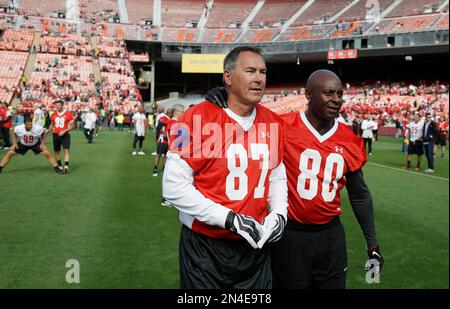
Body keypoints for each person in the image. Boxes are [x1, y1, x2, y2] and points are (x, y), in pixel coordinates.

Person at [207, 69, 383, 289]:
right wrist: (225, 97)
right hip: (290, 234)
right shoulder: (282, 126)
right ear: (309, 94)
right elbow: (242, 124)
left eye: (339, 94)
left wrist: (372, 244)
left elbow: (359, 195)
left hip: (331, 235)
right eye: (329, 93)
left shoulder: (349, 138)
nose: (336, 100)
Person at [162, 46, 288, 288]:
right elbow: (172, 187)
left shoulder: (274, 122)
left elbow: (276, 175)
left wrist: (279, 213)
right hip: (204, 248)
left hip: (255, 247)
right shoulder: (190, 119)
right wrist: (230, 219)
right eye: (250, 70)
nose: (259, 78)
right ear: (227, 77)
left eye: (263, 71)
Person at [50, 100, 75, 173]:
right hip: (55, 134)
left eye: (59, 105)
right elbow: (52, 124)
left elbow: (73, 126)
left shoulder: (68, 114)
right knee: (56, 151)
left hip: (65, 135)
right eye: (56, 105)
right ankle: (60, 165)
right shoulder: (53, 114)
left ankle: (66, 165)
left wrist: (64, 131)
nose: (57, 107)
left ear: (62, 106)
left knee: (66, 150)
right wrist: (49, 128)